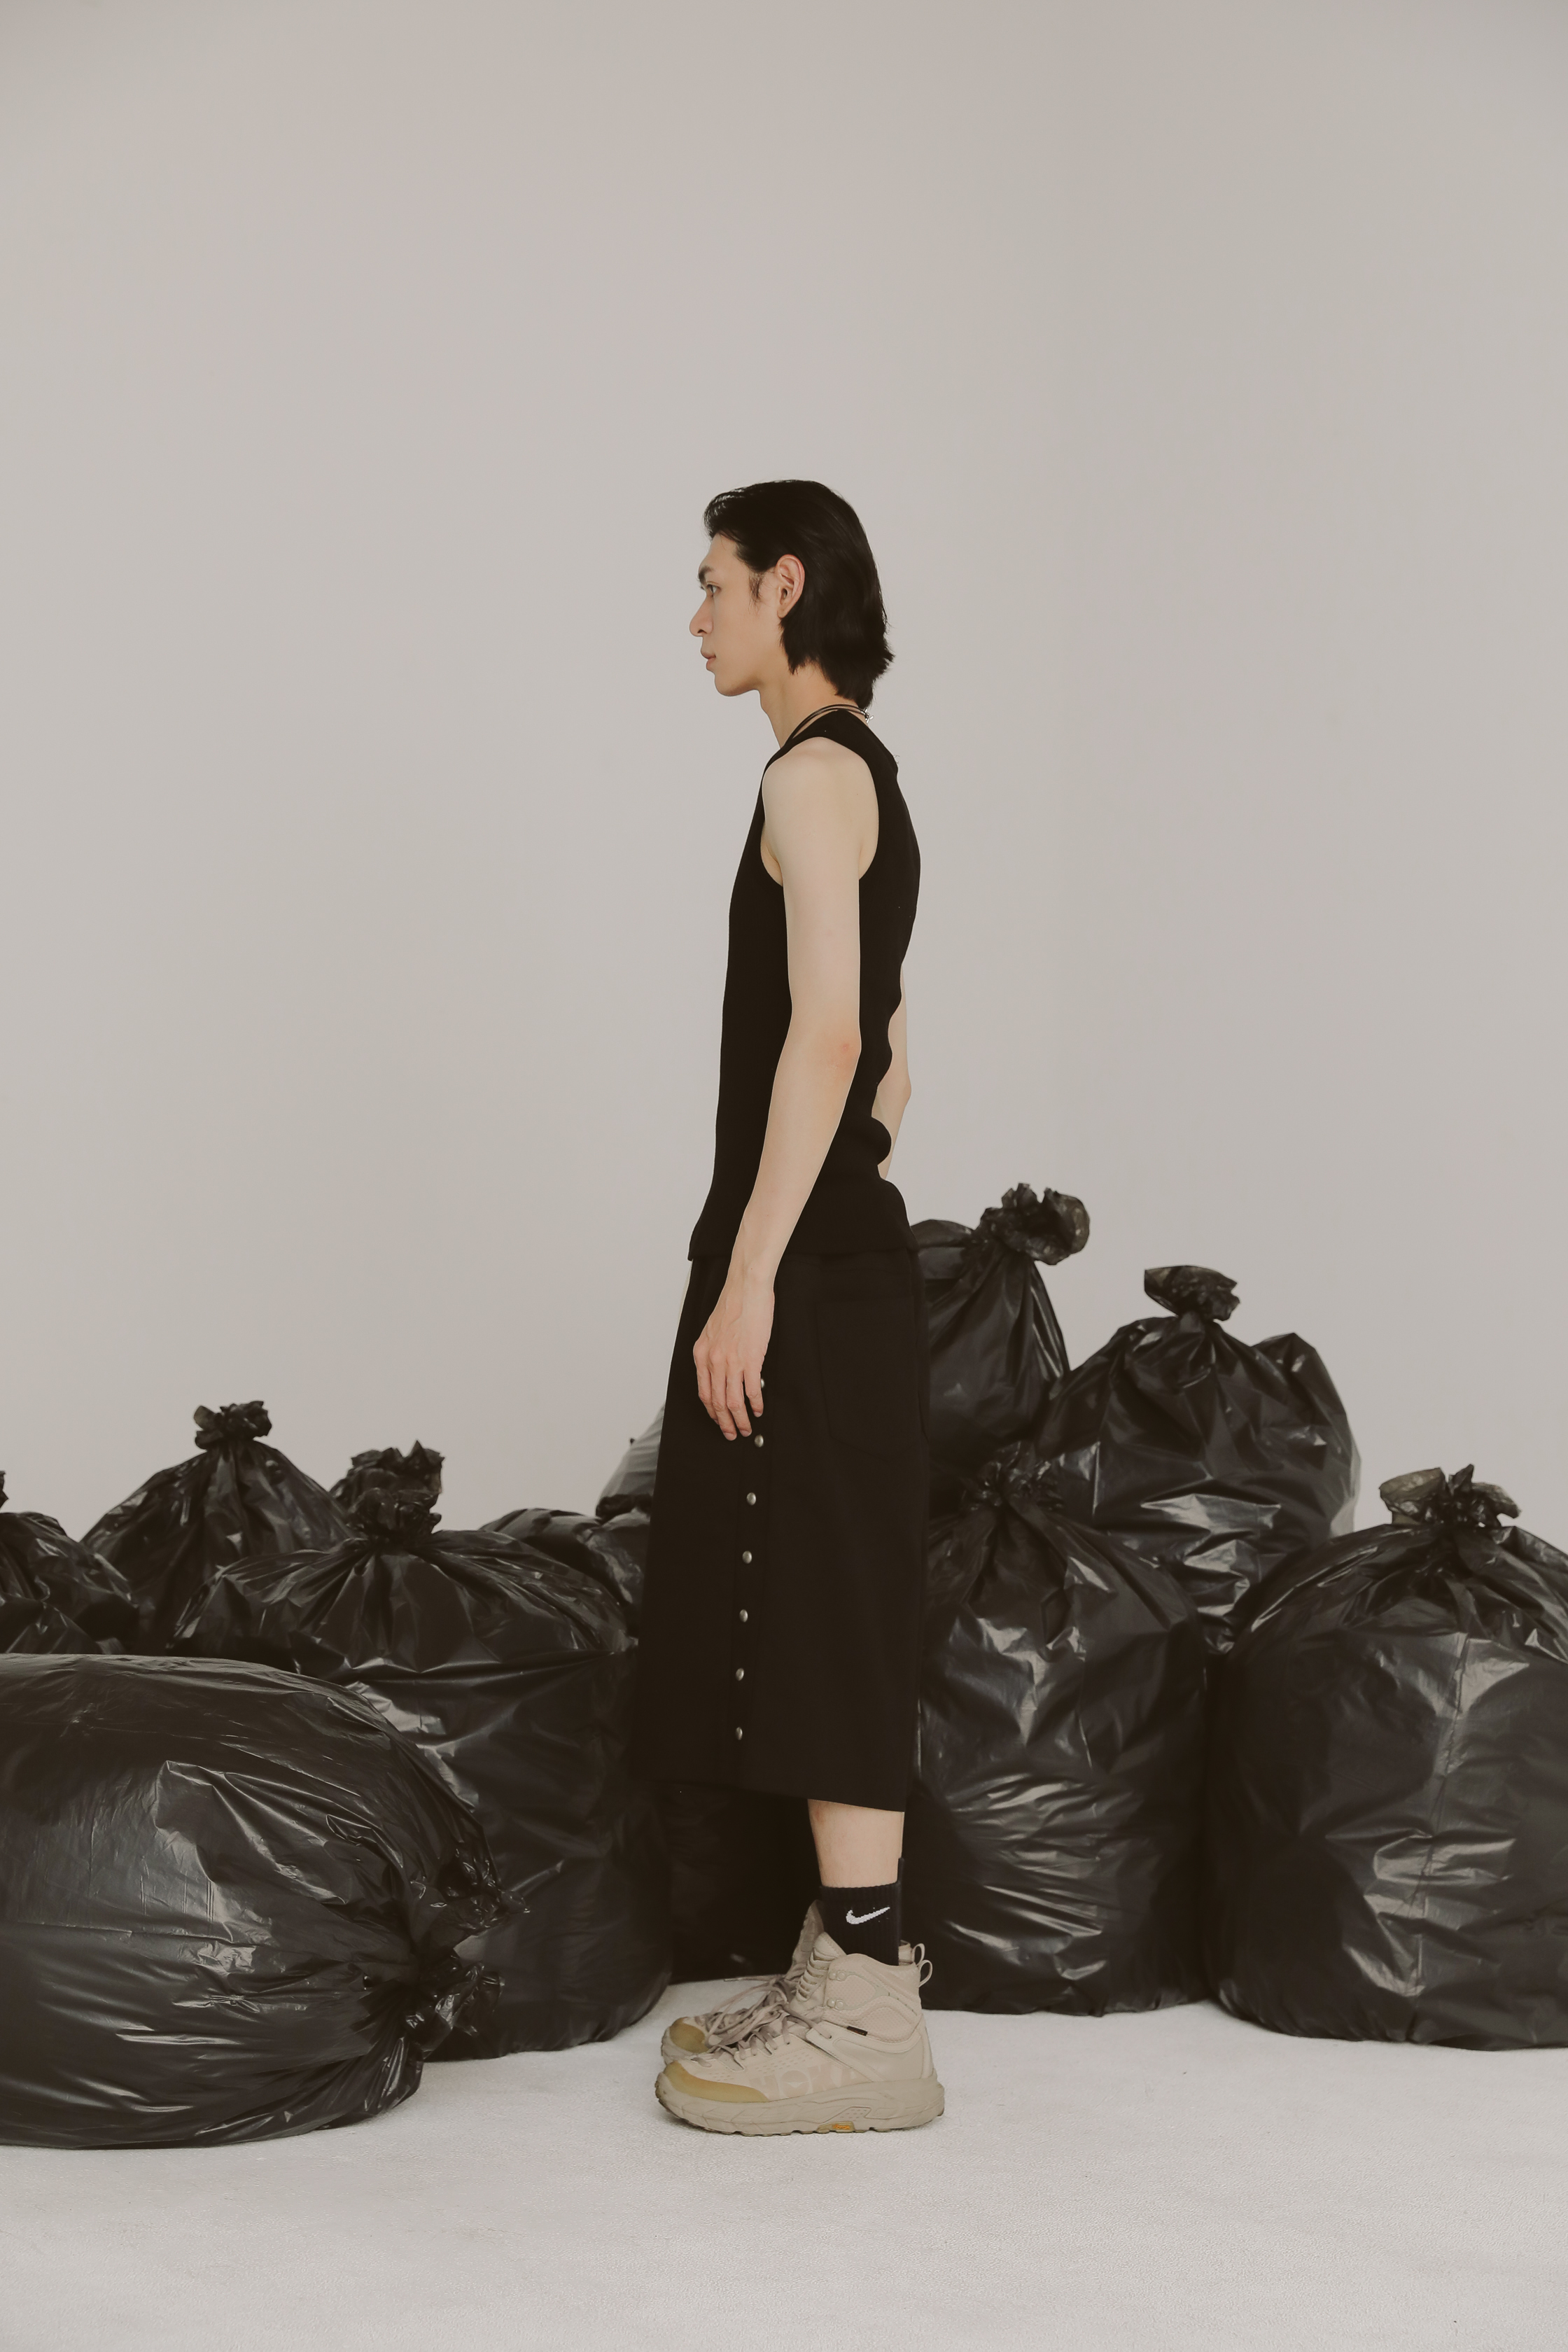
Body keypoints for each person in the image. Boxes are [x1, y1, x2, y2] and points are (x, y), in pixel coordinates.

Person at [634, 479, 942, 2135]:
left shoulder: (810, 777)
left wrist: (755, 1272)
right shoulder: (864, 774)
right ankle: (845, 1973)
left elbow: (831, 1038)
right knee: (813, 1601)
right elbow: (892, 1062)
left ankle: (871, 2022)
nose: (695, 617)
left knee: (818, 1618)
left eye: (713, 585)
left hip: (806, 1273)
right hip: (833, 1258)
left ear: (786, 586)